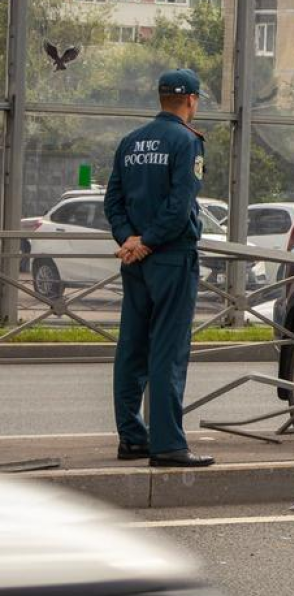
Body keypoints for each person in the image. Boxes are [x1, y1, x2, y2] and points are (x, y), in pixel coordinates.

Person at [104, 69, 214, 468]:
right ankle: (167, 444)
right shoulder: (187, 142)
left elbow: (113, 201)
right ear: (191, 101)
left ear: (161, 98)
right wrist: (149, 241)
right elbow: (181, 204)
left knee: (132, 348)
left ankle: (132, 438)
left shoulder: (130, 142)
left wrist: (129, 240)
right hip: (170, 256)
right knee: (168, 350)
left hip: (136, 261)